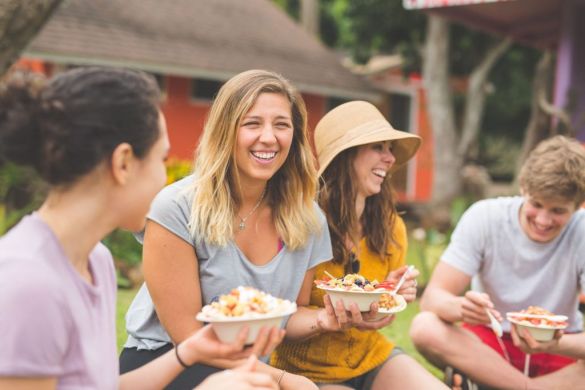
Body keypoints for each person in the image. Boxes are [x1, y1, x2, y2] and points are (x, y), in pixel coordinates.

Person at [0, 67, 278, 390]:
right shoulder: (30, 283)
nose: (166, 178)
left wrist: (187, 353)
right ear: (123, 164)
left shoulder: (96, 261)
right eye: (161, 159)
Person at [119, 69, 333, 389]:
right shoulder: (176, 208)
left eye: (281, 125)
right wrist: (287, 380)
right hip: (169, 362)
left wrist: (325, 320)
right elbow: (189, 338)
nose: (269, 137)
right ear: (225, 131)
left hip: (247, 372)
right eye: (252, 123)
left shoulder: (308, 218)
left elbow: (291, 312)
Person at [272, 101, 448, 389]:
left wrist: (391, 295)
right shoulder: (303, 225)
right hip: (307, 371)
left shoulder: (392, 227)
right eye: (378, 147)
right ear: (345, 156)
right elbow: (283, 321)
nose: (390, 158)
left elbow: (382, 318)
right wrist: (326, 318)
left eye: (390, 149)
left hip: (370, 358)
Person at [410, 135, 585, 390]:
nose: (544, 220)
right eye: (536, 205)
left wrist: (555, 344)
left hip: (558, 344)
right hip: (490, 344)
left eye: (558, 211)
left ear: (579, 206)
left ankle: (490, 385)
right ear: (523, 188)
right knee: (425, 327)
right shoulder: (485, 217)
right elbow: (432, 299)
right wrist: (460, 307)